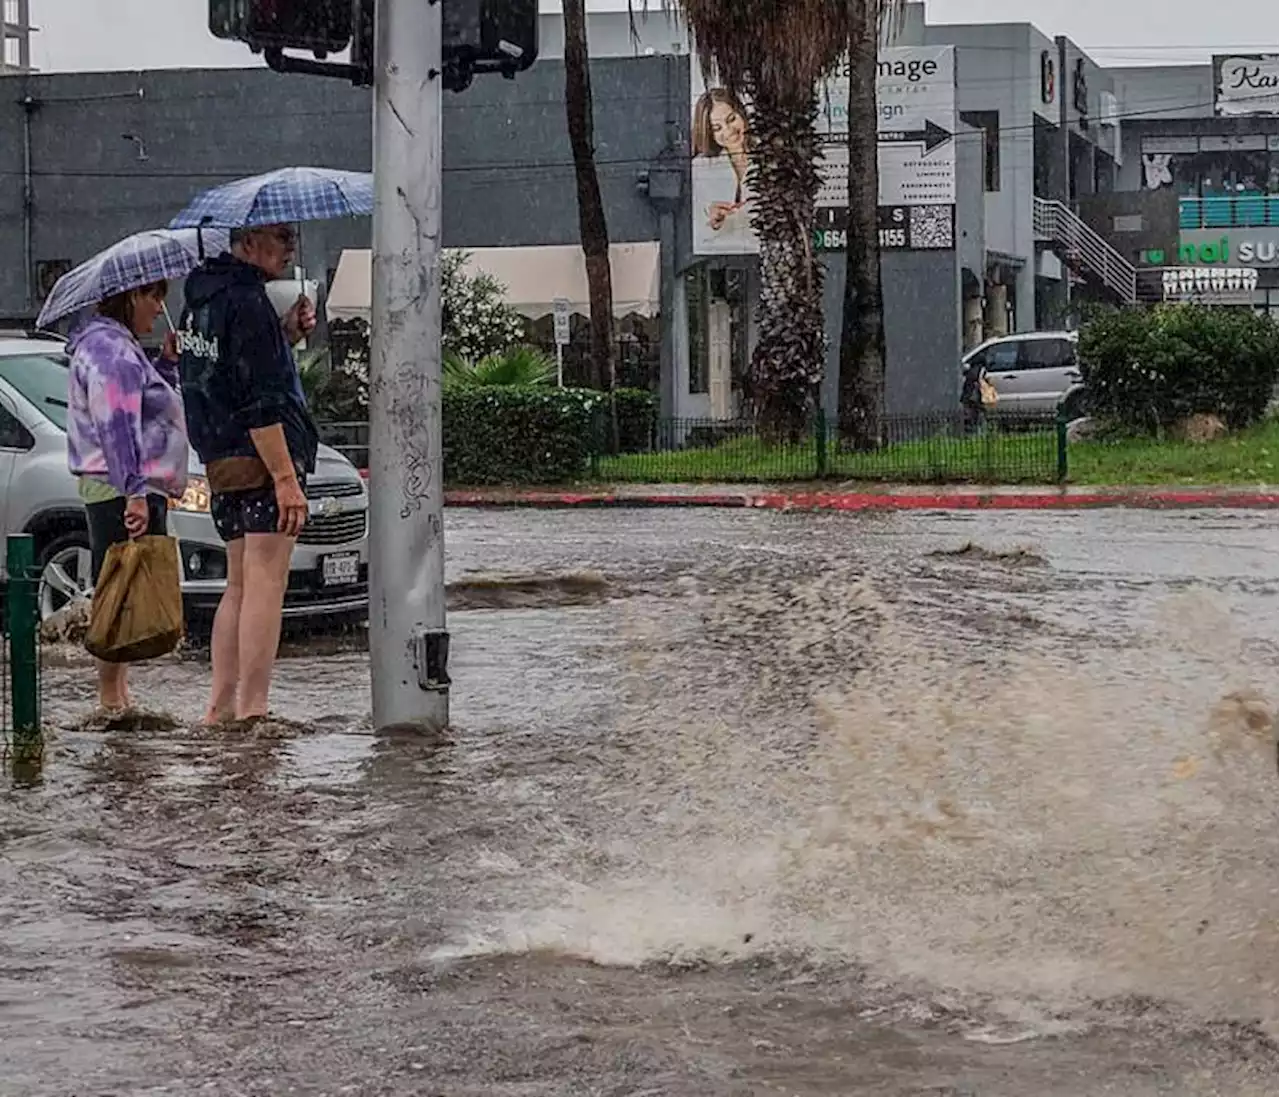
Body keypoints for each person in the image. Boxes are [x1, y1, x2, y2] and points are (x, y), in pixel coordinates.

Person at [178, 224, 318, 725]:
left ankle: (220, 706)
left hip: (220, 460)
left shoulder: (200, 300)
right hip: (260, 459)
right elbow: (260, 397)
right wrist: (285, 477)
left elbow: (219, 371)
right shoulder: (247, 301)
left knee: (238, 585)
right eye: (280, 237)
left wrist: (286, 335)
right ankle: (254, 710)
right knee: (266, 584)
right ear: (249, 243)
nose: (289, 247)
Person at [66, 280, 189, 714]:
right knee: (117, 584)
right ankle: (110, 697)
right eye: (154, 297)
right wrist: (134, 493)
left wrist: (166, 366)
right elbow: (117, 427)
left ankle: (116, 694)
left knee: (121, 582)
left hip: (121, 483)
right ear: (131, 297)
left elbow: (144, 406)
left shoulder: (117, 347)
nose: (160, 308)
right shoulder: (110, 351)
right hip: (120, 485)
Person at [692, 88, 753, 238]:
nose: (728, 131)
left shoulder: (770, 155)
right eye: (717, 128)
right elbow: (697, 226)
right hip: (724, 252)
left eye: (731, 119)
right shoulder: (701, 167)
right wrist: (711, 217)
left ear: (741, 113)